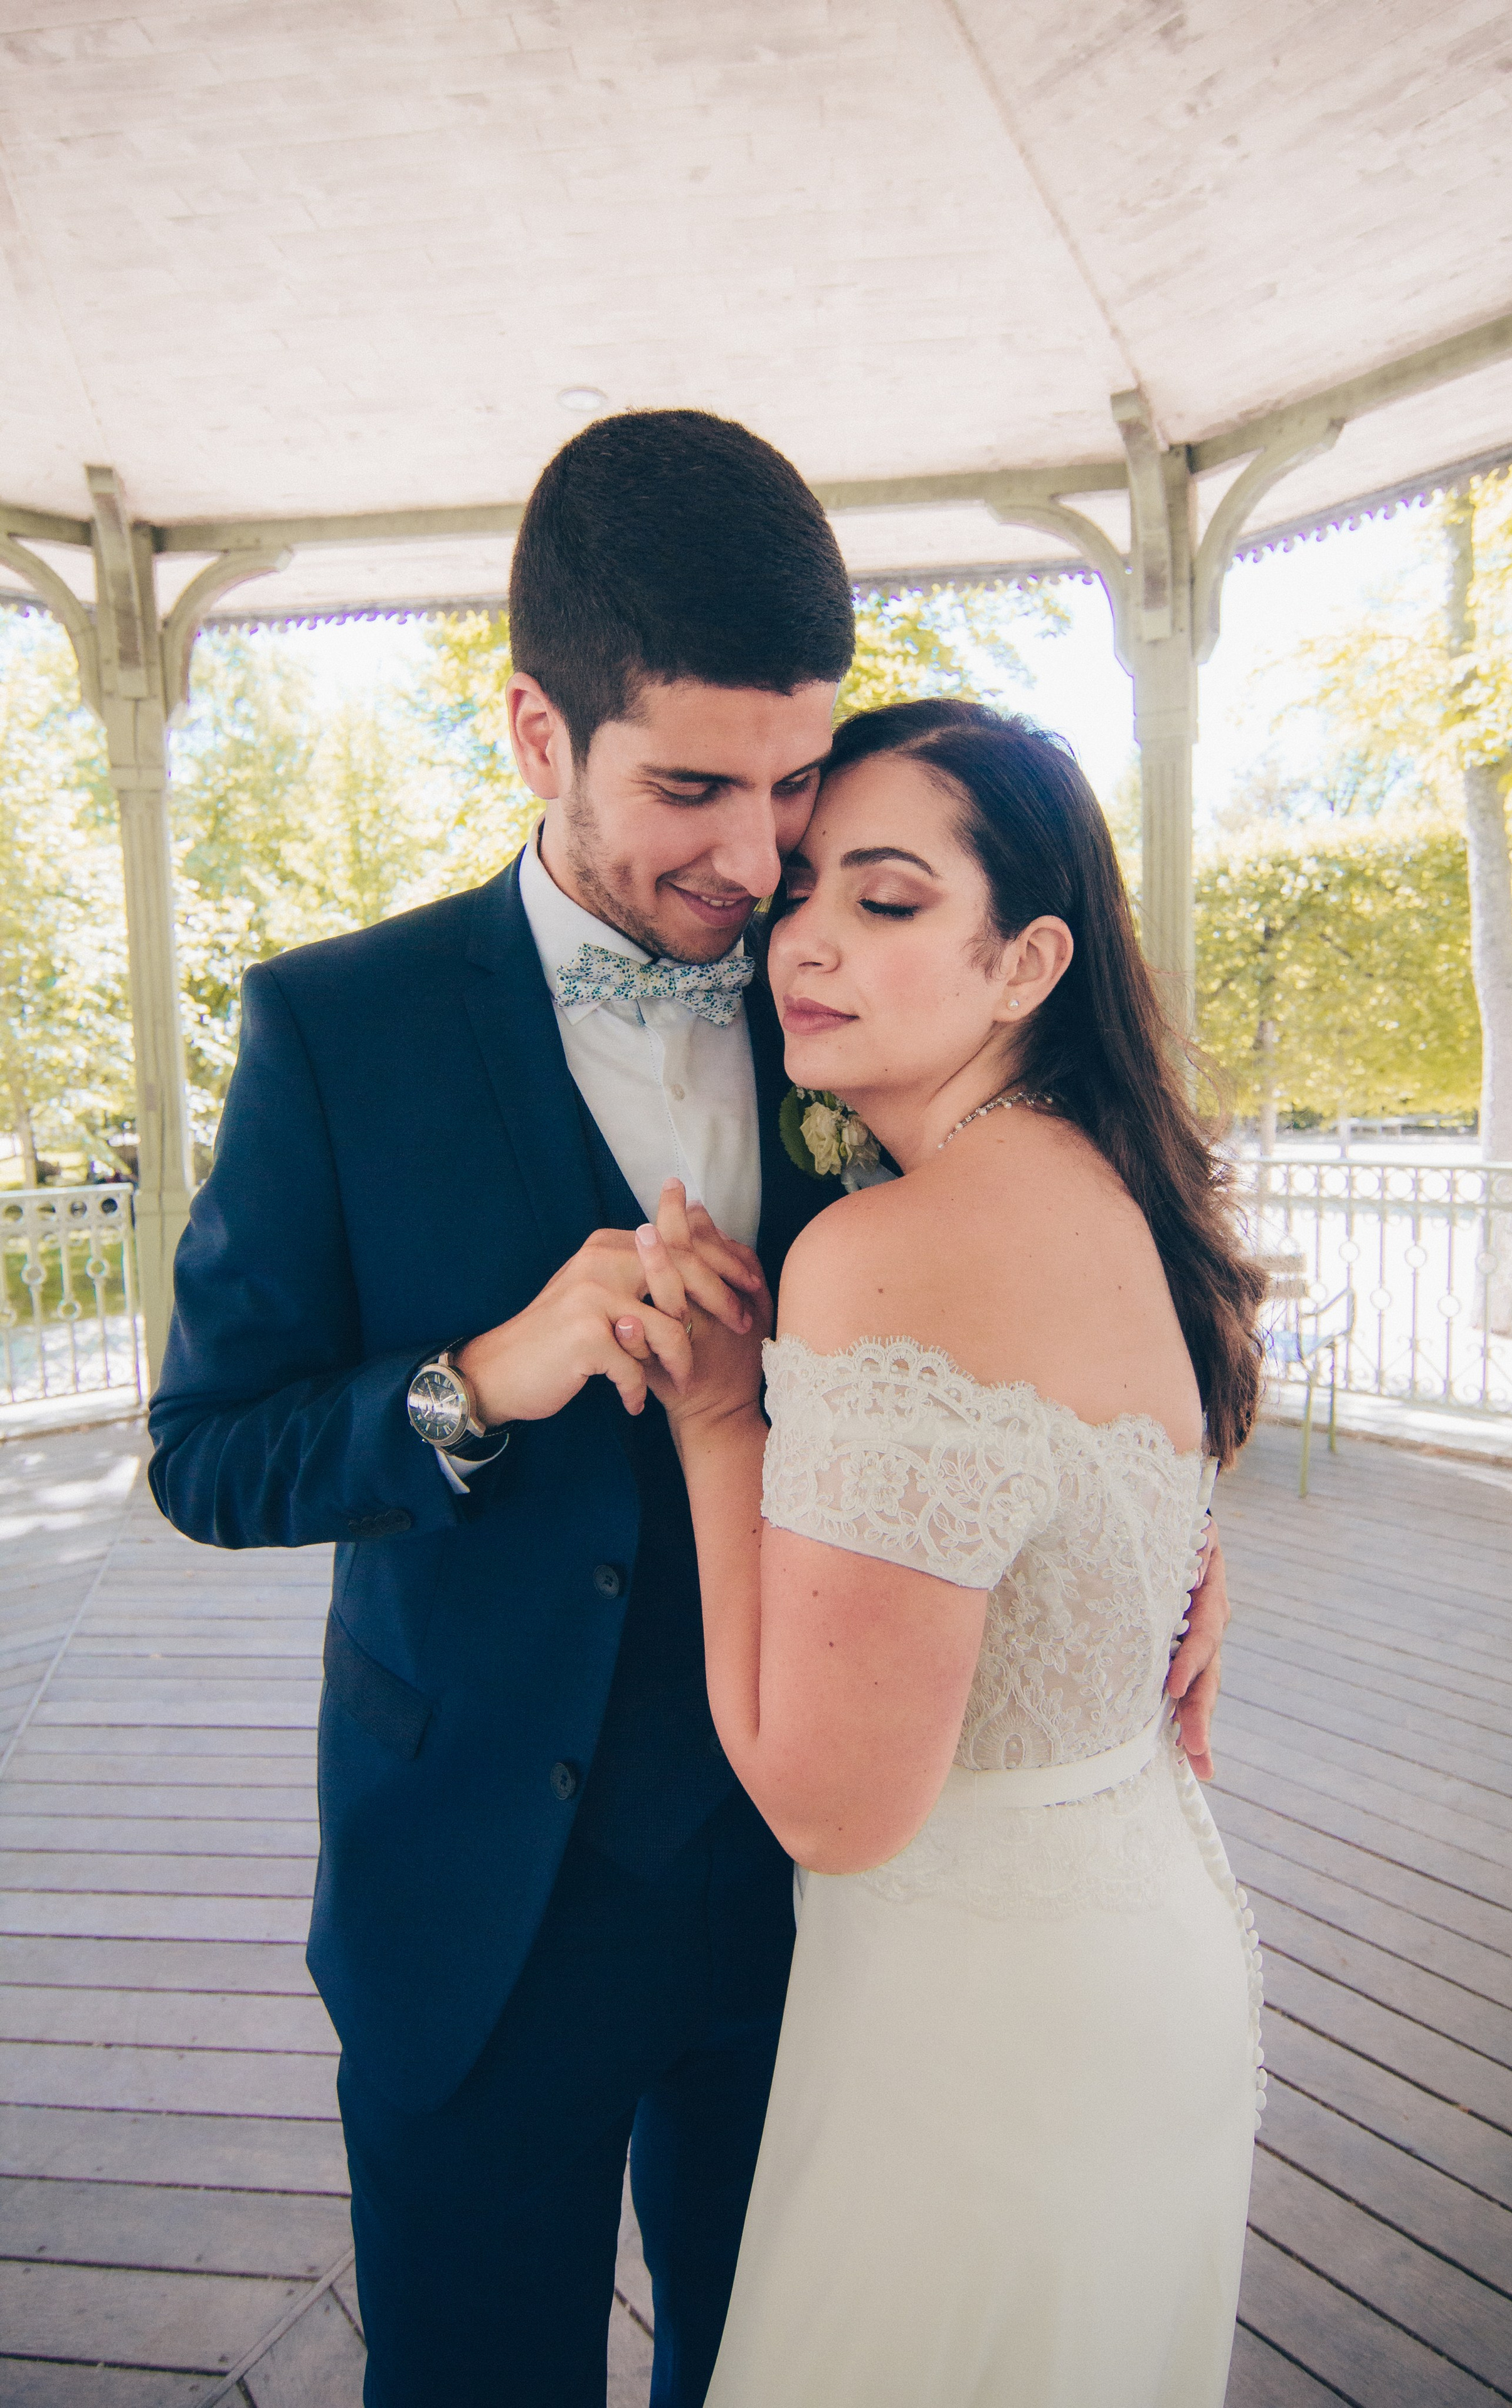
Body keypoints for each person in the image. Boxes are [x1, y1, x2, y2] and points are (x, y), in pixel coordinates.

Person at [147, 411, 1234, 2406]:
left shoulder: (853, 985)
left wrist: (1158, 1528)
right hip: (478, 1903)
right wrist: (476, 1381)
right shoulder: (338, 1029)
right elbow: (208, 1457)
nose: (754, 860)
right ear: (538, 735)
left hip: (815, 1915)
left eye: (795, 783)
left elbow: (1055, 1270)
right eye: (692, 788)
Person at [618, 698, 1266, 2407]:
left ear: (1027, 962)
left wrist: (717, 1416)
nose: (806, 939)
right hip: (1145, 1944)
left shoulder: (887, 1252)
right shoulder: (1114, 1194)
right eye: (802, 892)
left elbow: (834, 1810)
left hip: (985, 2032)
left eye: (888, 899)